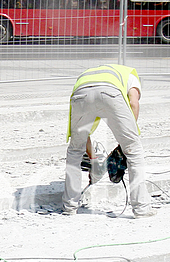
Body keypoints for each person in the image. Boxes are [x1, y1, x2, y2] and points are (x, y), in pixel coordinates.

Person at [63, 64, 155, 218]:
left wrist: (94, 161)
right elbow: (133, 103)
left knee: (74, 151)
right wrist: (124, 146)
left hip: (80, 94)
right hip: (110, 94)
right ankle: (141, 209)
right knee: (134, 150)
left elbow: (83, 137)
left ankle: (69, 207)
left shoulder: (89, 73)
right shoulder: (131, 75)